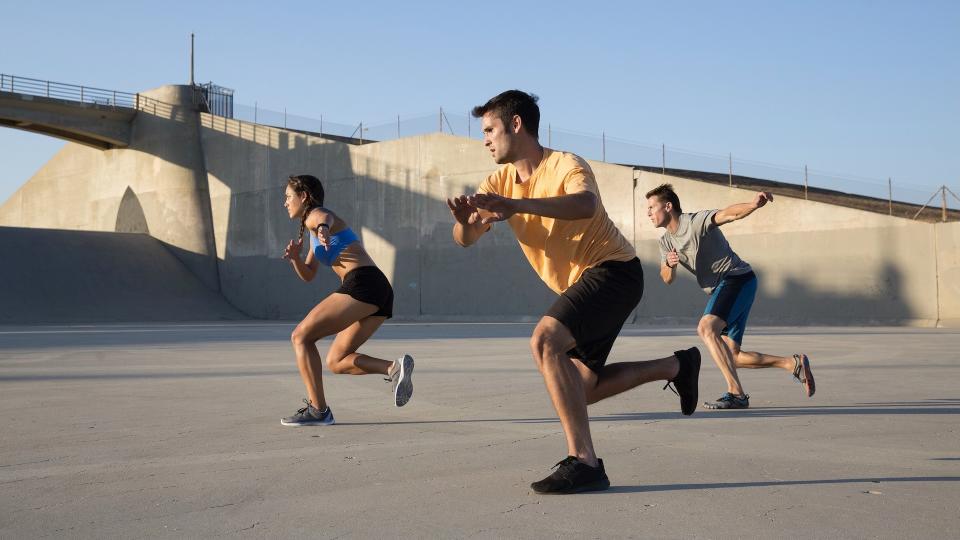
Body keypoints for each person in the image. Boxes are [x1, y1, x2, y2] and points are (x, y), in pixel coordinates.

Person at [448, 90, 701, 494]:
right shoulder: (498, 181)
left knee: (545, 342)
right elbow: (466, 237)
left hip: (613, 270)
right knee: (580, 389)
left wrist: (518, 206)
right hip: (589, 283)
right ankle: (677, 366)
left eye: (490, 129)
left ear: (517, 124)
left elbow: (585, 204)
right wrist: (464, 222)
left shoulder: (565, 164)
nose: (485, 139)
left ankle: (585, 462)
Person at [646, 183, 816, 410]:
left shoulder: (694, 222)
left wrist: (754, 205)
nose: (648, 213)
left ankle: (736, 394)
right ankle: (792, 363)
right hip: (725, 287)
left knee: (706, 328)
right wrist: (669, 263)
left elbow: (727, 214)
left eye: (651, 207)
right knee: (732, 356)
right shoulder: (665, 242)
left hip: (736, 278)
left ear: (668, 207)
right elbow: (667, 278)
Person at [280, 174, 414, 426]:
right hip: (377, 289)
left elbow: (324, 218)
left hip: (362, 283)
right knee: (336, 361)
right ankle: (394, 369)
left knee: (300, 337)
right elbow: (309, 275)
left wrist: (323, 228)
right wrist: (296, 260)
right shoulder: (311, 232)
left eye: (288, 197)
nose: (285, 202)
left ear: (304, 196)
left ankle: (319, 412)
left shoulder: (315, 216)